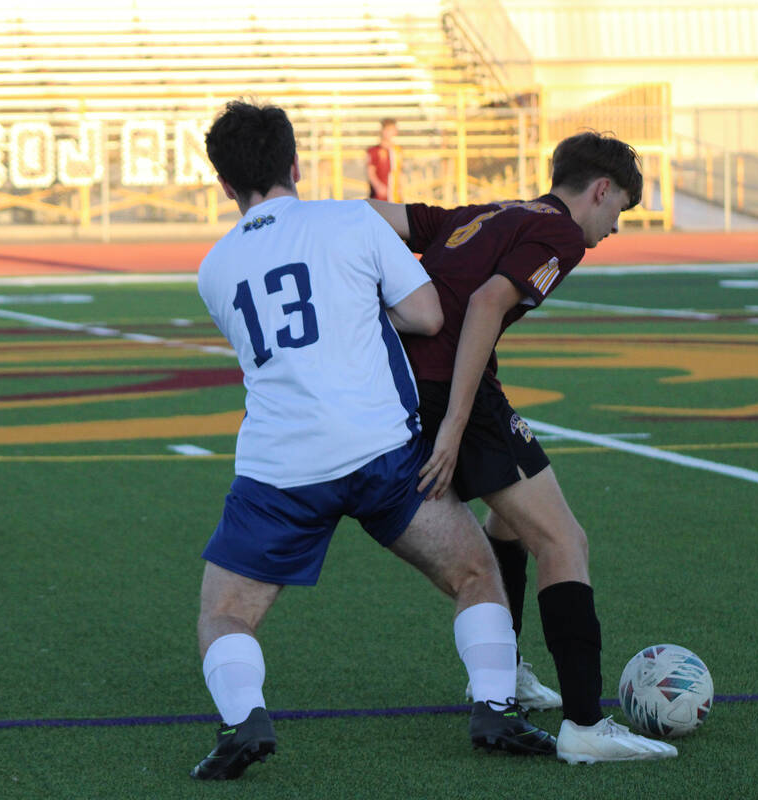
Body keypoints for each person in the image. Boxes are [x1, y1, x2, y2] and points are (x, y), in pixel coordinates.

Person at [190, 100, 557, 781]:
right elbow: (425, 314)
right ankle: (493, 708)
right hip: (380, 452)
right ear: (294, 163)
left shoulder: (214, 268)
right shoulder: (351, 218)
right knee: (476, 574)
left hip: (279, 469)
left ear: (224, 183)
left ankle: (245, 719)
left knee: (225, 614)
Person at [367, 131, 678, 764]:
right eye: (620, 209)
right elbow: (485, 303)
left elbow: (375, 213)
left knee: (506, 525)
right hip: (453, 389)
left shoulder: (496, 210)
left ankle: (503, 679)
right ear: (601, 189)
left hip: (403, 379)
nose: (615, 227)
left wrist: (290, 219)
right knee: (564, 542)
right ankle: (587, 726)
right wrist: (454, 425)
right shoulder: (563, 235)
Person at [365, 118, 401, 202]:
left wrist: (400, 188)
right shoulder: (374, 150)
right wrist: (378, 186)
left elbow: (399, 171)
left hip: (394, 195)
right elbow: (370, 172)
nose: (389, 133)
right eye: (387, 130)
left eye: (392, 130)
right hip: (379, 197)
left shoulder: (397, 150)